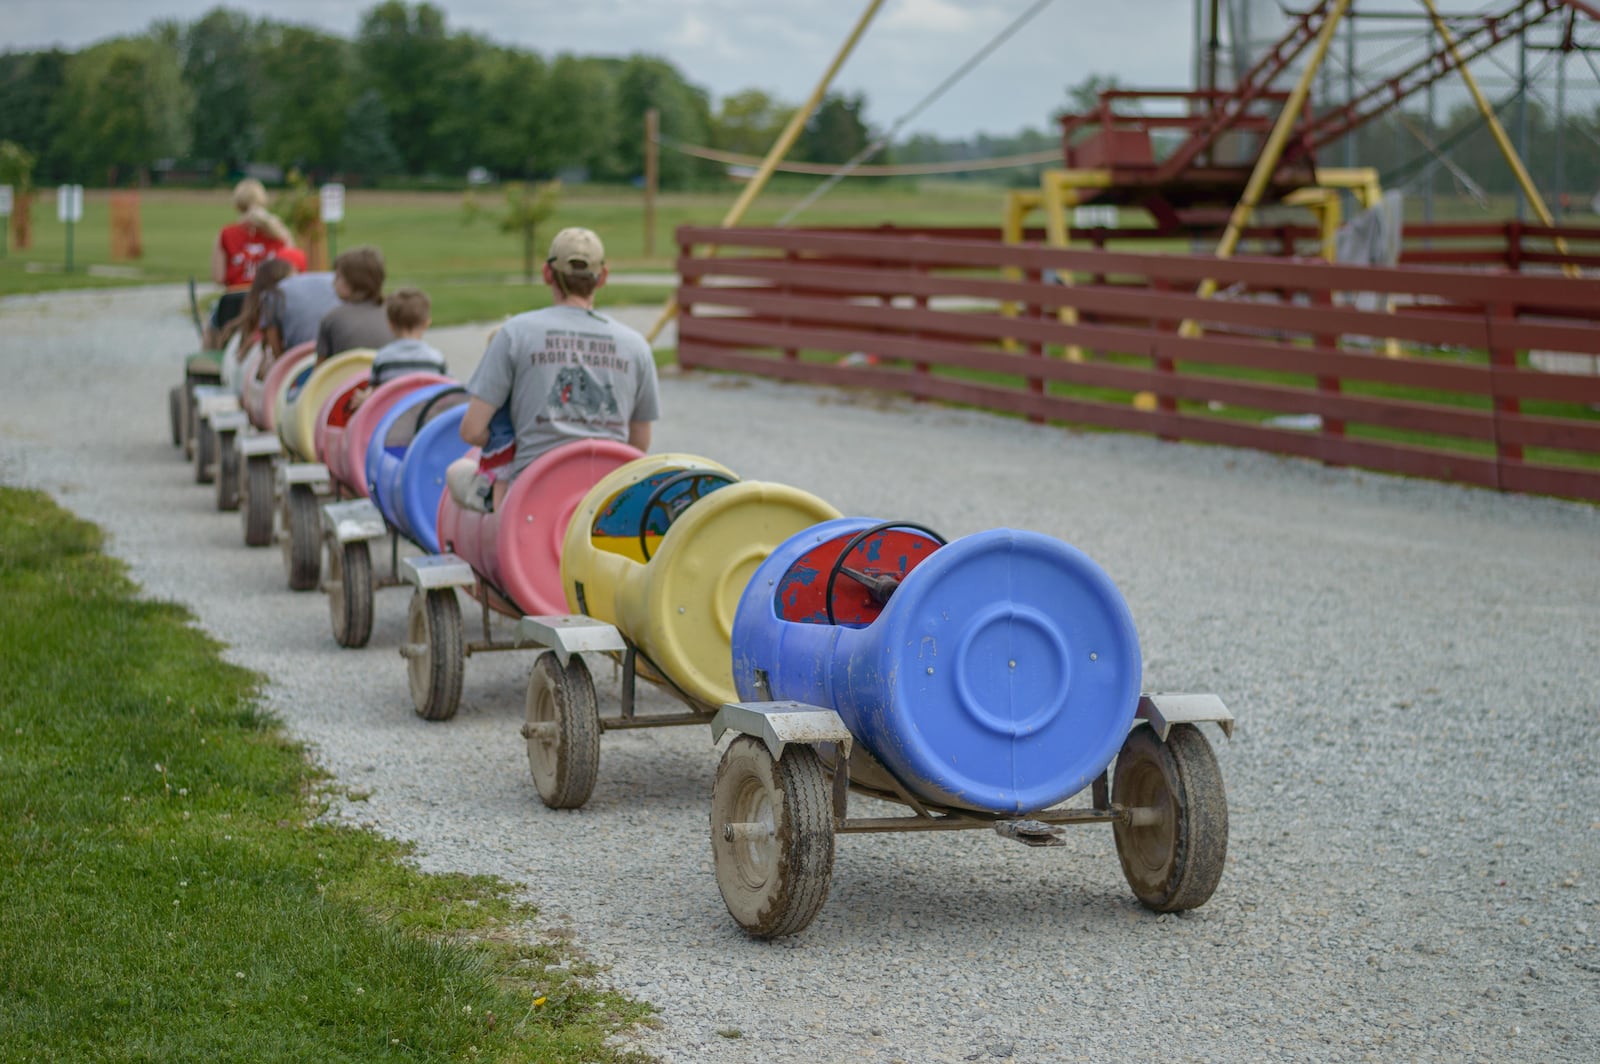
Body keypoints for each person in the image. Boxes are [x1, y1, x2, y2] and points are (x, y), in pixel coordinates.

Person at [447, 227, 659, 514]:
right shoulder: (637, 347)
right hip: (605, 503)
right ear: (603, 277)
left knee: (456, 471)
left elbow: (472, 431)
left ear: (548, 273)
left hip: (530, 500)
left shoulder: (514, 334)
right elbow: (638, 444)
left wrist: (509, 440)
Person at [206, 178, 294, 349]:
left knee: (210, 327)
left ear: (237, 204)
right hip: (270, 300)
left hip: (235, 302)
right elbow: (292, 265)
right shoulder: (278, 233)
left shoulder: (226, 233)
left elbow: (218, 277)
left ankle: (211, 365)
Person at [315, 246, 393, 363]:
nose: (333, 282)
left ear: (352, 281)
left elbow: (320, 372)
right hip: (393, 381)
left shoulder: (333, 318)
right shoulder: (395, 313)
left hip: (347, 380)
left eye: (338, 277)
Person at [368, 287, 449, 388]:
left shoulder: (382, 359)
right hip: (428, 403)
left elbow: (375, 394)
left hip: (393, 404)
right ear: (426, 324)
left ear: (390, 325)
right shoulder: (436, 359)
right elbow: (448, 389)